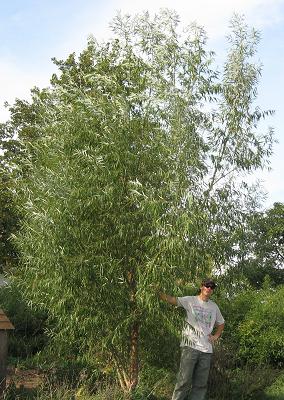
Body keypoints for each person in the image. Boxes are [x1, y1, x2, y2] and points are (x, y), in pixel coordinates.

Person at [159, 278, 225, 400]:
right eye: (207, 285)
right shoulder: (190, 300)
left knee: (200, 385)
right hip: (190, 347)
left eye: (212, 287)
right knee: (183, 381)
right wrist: (157, 291)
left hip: (206, 350)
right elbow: (172, 300)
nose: (209, 288)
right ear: (201, 286)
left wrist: (216, 336)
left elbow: (221, 323)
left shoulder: (214, 307)